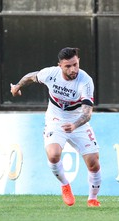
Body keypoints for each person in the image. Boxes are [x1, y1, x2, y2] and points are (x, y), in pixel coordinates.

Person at [10, 47, 101, 207]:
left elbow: (87, 114)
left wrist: (74, 125)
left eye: (75, 64)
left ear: (78, 61)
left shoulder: (85, 81)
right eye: (68, 66)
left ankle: (92, 199)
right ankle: (65, 185)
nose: (73, 69)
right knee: (53, 155)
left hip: (78, 121)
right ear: (60, 66)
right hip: (55, 119)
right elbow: (31, 76)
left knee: (93, 162)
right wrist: (17, 86)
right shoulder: (50, 74)